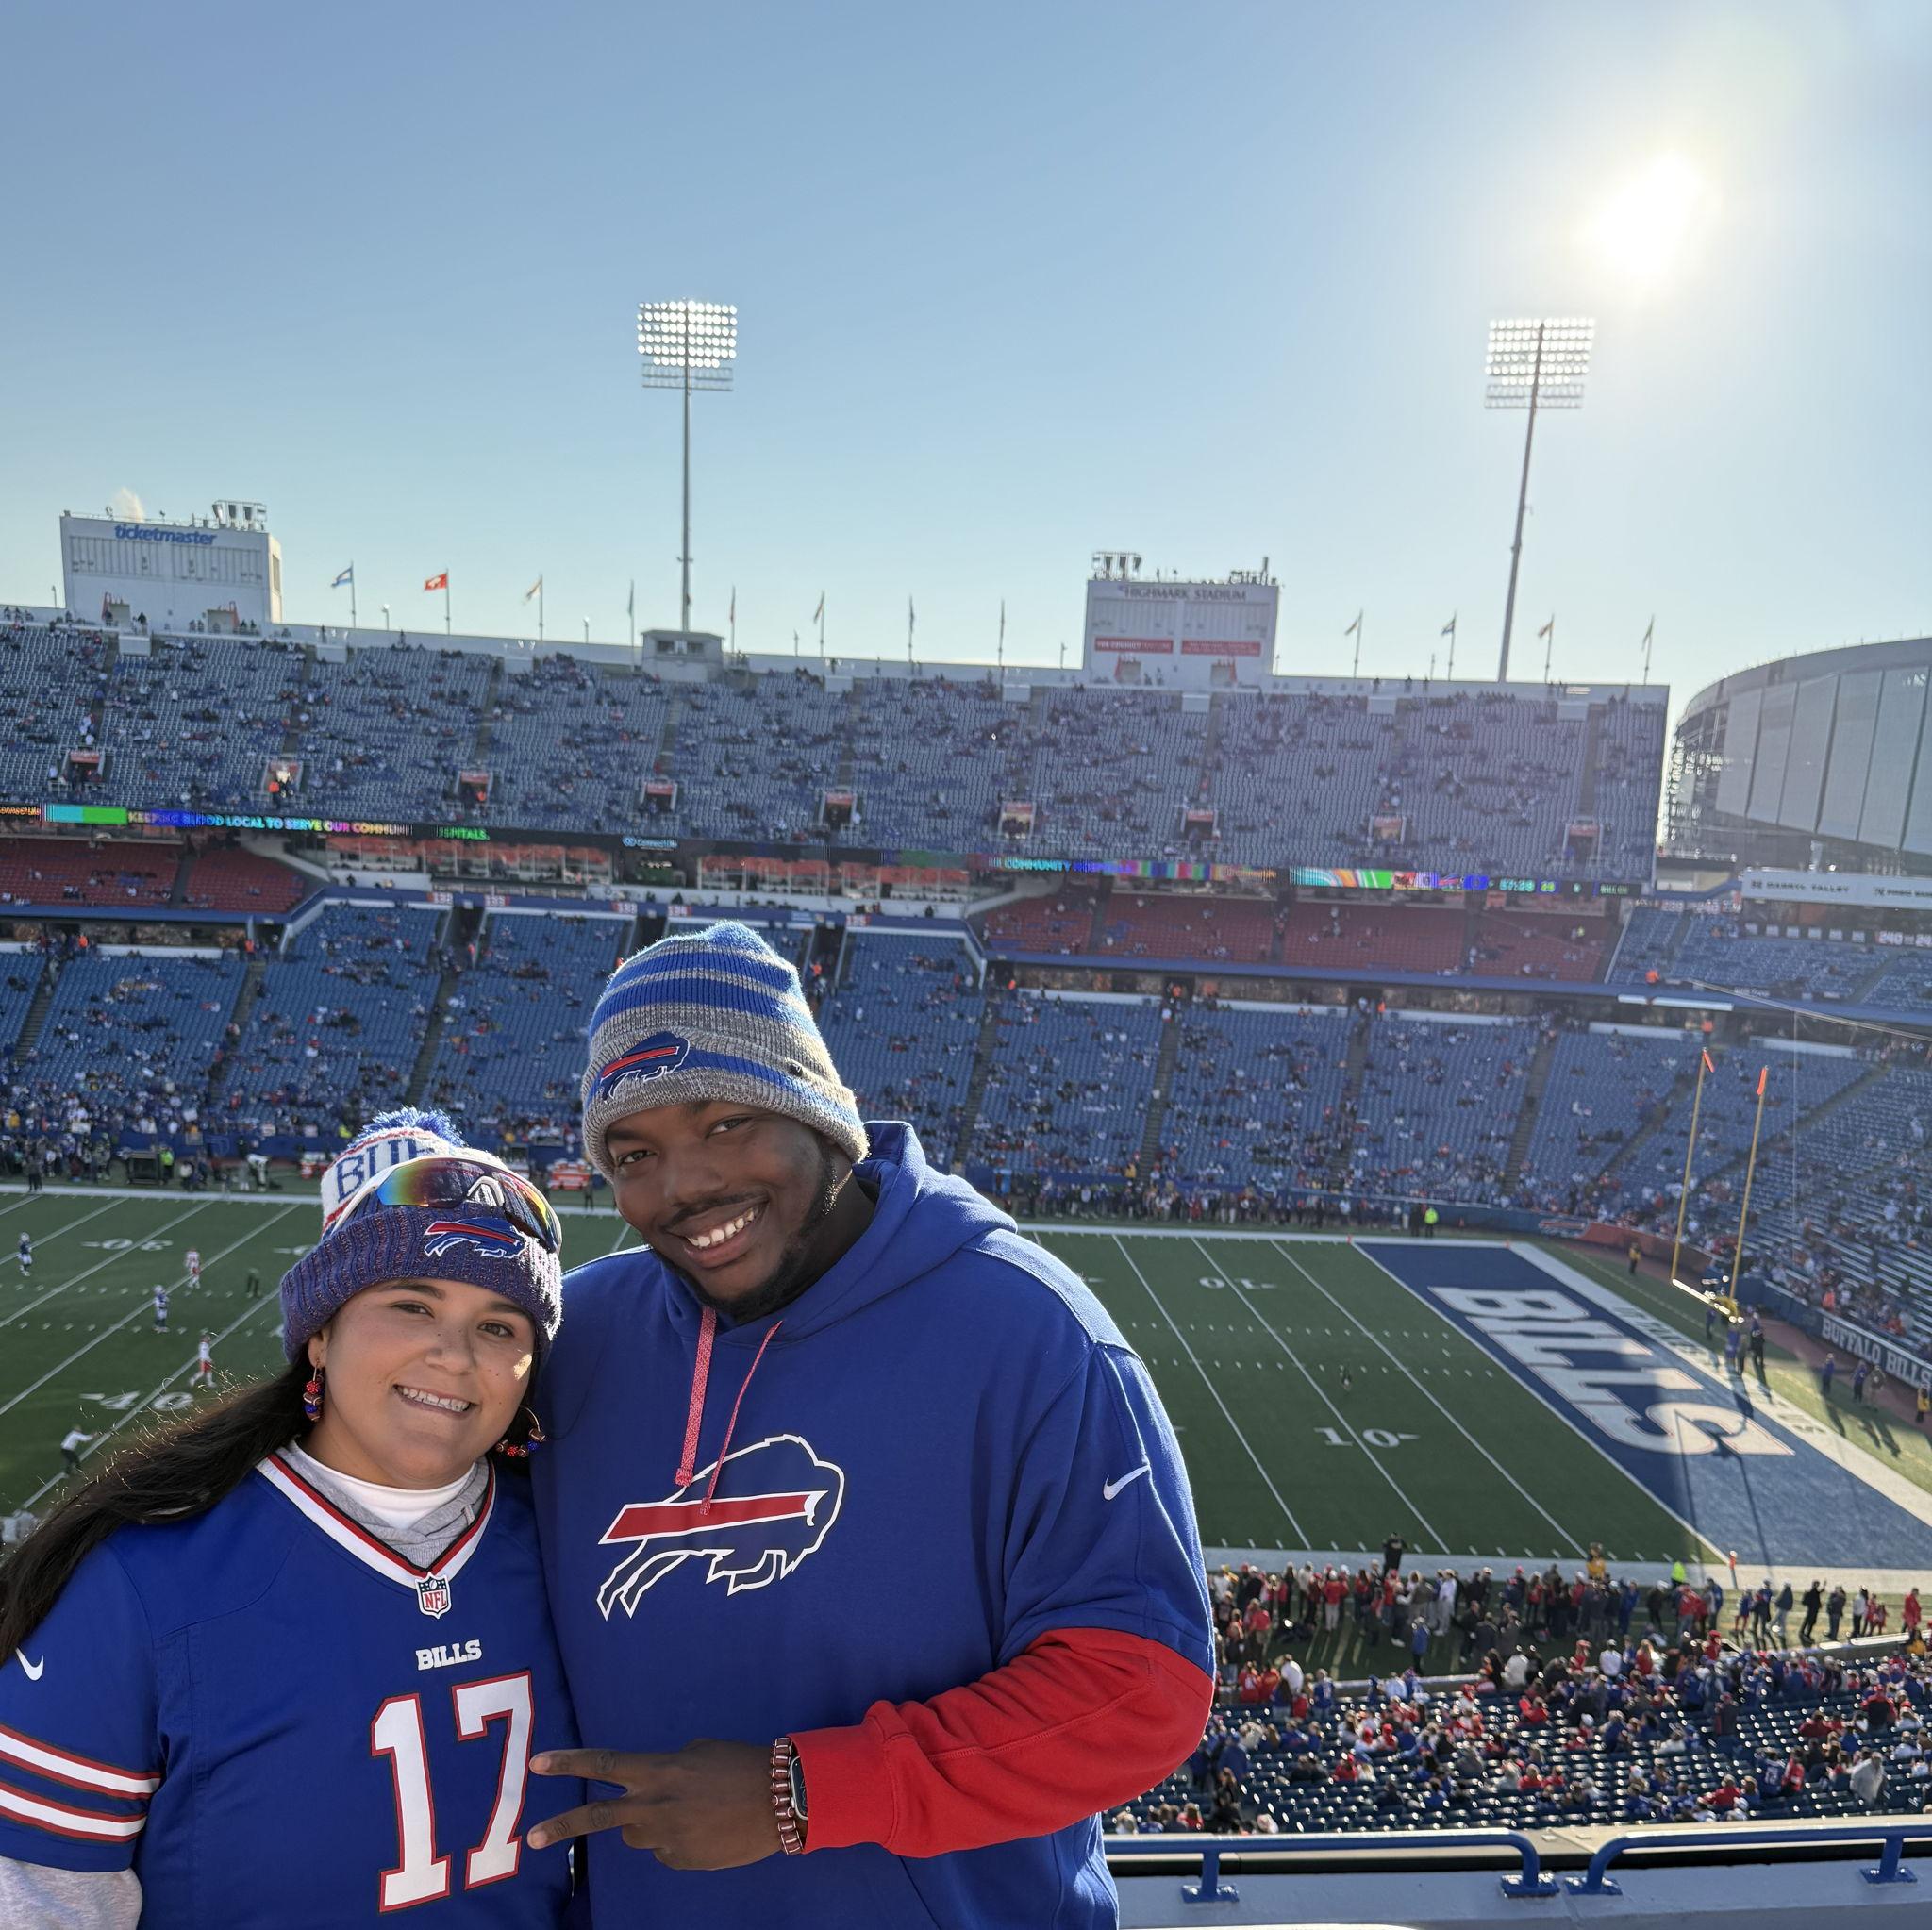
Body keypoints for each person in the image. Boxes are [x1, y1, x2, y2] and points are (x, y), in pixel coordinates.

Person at [524, 922, 1213, 1927]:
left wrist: (800, 1794)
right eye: (634, 1152)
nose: (683, 1188)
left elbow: (1139, 1689)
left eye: (722, 1125)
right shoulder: (574, 1337)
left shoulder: (1025, 1331)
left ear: (819, 1114)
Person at [0, 1109, 581, 1927]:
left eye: (498, 1325)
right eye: (412, 1305)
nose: (454, 1355)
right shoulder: (139, 1580)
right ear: (319, 1333)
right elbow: (41, 1903)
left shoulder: (572, 1547)